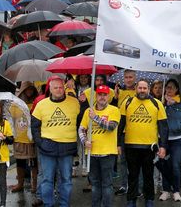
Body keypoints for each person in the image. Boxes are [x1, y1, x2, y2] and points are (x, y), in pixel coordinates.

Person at [118, 79, 168, 207]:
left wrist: (163, 146)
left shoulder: (157, 104)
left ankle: (149, 200)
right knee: (132, 176)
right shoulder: (127, 102)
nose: (142, 90)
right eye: (140, 88)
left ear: (149, 89)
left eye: (144, 88)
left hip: (149, 147)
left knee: (148, 176)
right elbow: (121, 124)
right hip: (131, 146)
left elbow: (163, 127)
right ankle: (131, 201)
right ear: (136, 88)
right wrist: (118, 144)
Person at [31, 77, 81, 207]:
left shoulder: (74, 102)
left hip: (67, 147)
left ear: (64, 88)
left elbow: (82, 120)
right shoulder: (42, 104)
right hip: (47, 147)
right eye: (55, 88)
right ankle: (48, 204)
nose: (59, 90)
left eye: (60, 87)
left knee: (66, 180)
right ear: (50, 90)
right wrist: (40, 143)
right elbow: (35, 126)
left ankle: (64, 204)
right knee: (47, 180)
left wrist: (85, 103)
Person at [79, 85, 120, 207]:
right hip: (91, 153)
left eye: (105, 95)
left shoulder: (114, 110)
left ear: (108, 96)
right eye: (100, 94)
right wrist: (85, 141)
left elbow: (111, 127)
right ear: (96, 96)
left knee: (107, 185)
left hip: (107, 153)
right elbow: (81, 129)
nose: (102, 97)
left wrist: (95, 118)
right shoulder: (88, 111)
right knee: (95, 184)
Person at [159, 79, 181, 202]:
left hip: (178, 140)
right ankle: (166, 190)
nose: (169, 90)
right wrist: (165, 105)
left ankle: (176, 190)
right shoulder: (162, 104)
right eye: (167, 87)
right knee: (164, 165)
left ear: (177, 89)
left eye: (171, 87)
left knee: (176, 165)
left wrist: (178, 127)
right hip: (164, 140)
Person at [11, 82, 38, 194]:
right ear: (22, 90)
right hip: (19, 138)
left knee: (34, 163)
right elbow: (11, 120)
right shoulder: (15, 104)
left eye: (31, 89)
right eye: (27, 89)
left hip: (32, 139)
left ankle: (34, 185)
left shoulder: (37, 103)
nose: (29, 92)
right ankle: (20, 184)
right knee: (20, 162)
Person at [114, 69, 137, 196]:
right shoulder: (119, 92)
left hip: (135, 130)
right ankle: (124, 185)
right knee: (122, 160)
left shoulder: (139, 91)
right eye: (126, 77)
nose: (128, 79)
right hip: (122, 131)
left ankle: (135, 186)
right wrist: (116, 97)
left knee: (134, 161)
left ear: (135, 78)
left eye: (131, 77)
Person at [0, 100, 14, 207]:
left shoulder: (5, 123)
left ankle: (3, 203)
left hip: (2, 156)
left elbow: (11, 140)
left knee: (2, 181)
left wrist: (5, 138)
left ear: (1, 110)